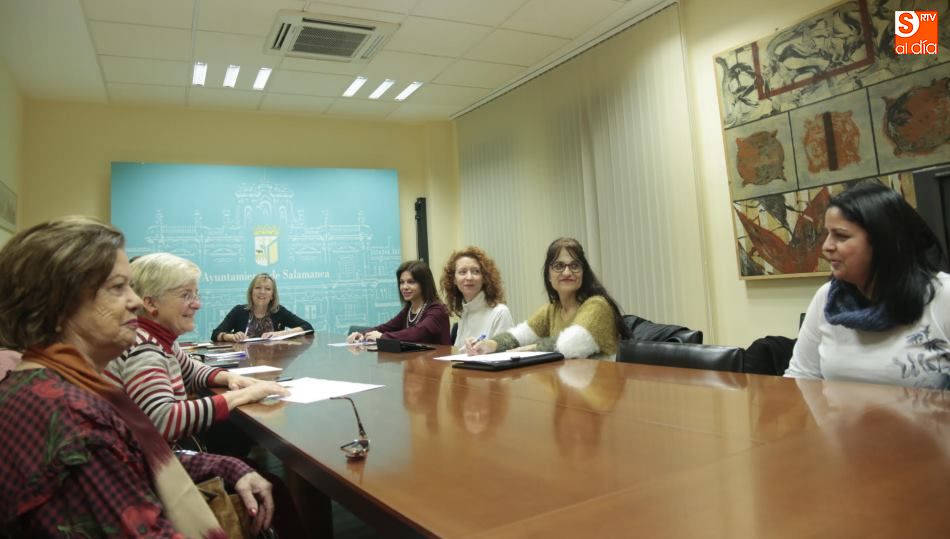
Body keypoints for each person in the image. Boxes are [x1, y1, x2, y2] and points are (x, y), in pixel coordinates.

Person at [0, 217, 275, 536]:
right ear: (59, 303)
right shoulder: (77, 422)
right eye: (118, 288)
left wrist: (225, 464)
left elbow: (133, 458)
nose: (134, 301)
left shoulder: (54, 384)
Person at [105, 253, 288, 445]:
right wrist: (245, 394)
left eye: (196, 294)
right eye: (186, 295)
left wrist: (231, 378)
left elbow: (191, 369)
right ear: (151, 303)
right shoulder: (145, 348)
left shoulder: (157, 338)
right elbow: (163, 420)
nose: (197, 304)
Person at [785, 182, 950, 389]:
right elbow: (801, 376)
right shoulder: (827, 298)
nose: (826, 247)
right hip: (839, 422)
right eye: (827, 234)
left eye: (841, 236)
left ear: (884, 241)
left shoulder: (943, 296)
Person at [468, 237, 630, 358]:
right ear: (549, 275)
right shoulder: (552, 309)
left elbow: (572, 345)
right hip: (568, 389)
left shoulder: (597, 305)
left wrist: (532, 348)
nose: (567, 272)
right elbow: (517, 336)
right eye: (559, 266)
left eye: (574, 266)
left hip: (602, 392)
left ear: (583, 273)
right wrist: (490, 344)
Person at [347, 260, 451, 345]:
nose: (404, 287)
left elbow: (418, 333)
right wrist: (362, 334)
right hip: (414, 363)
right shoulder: (409, 309)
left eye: (411, 282)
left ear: (424, 284)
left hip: (436, 367)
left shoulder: (438, 310)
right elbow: (385, 328)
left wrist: (382, 337)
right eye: (402, 282)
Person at [440, 246, 514, 348]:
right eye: (462, 272)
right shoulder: (465, 312)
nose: (469, 277)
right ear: (454, 280)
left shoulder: (500, 313)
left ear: (484, 278)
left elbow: (505, 357)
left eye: (476, 271)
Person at [212, 273, 313, 342]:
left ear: (272, 295)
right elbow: (215, 334)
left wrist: (282, 333)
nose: (262, 292)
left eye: (268, 289)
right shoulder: (239, 311)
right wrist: (231, 336)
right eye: (258, 288)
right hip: (245, 361)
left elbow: (308, 327)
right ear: (251, 292)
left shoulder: (278, 311)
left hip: (274, 358)